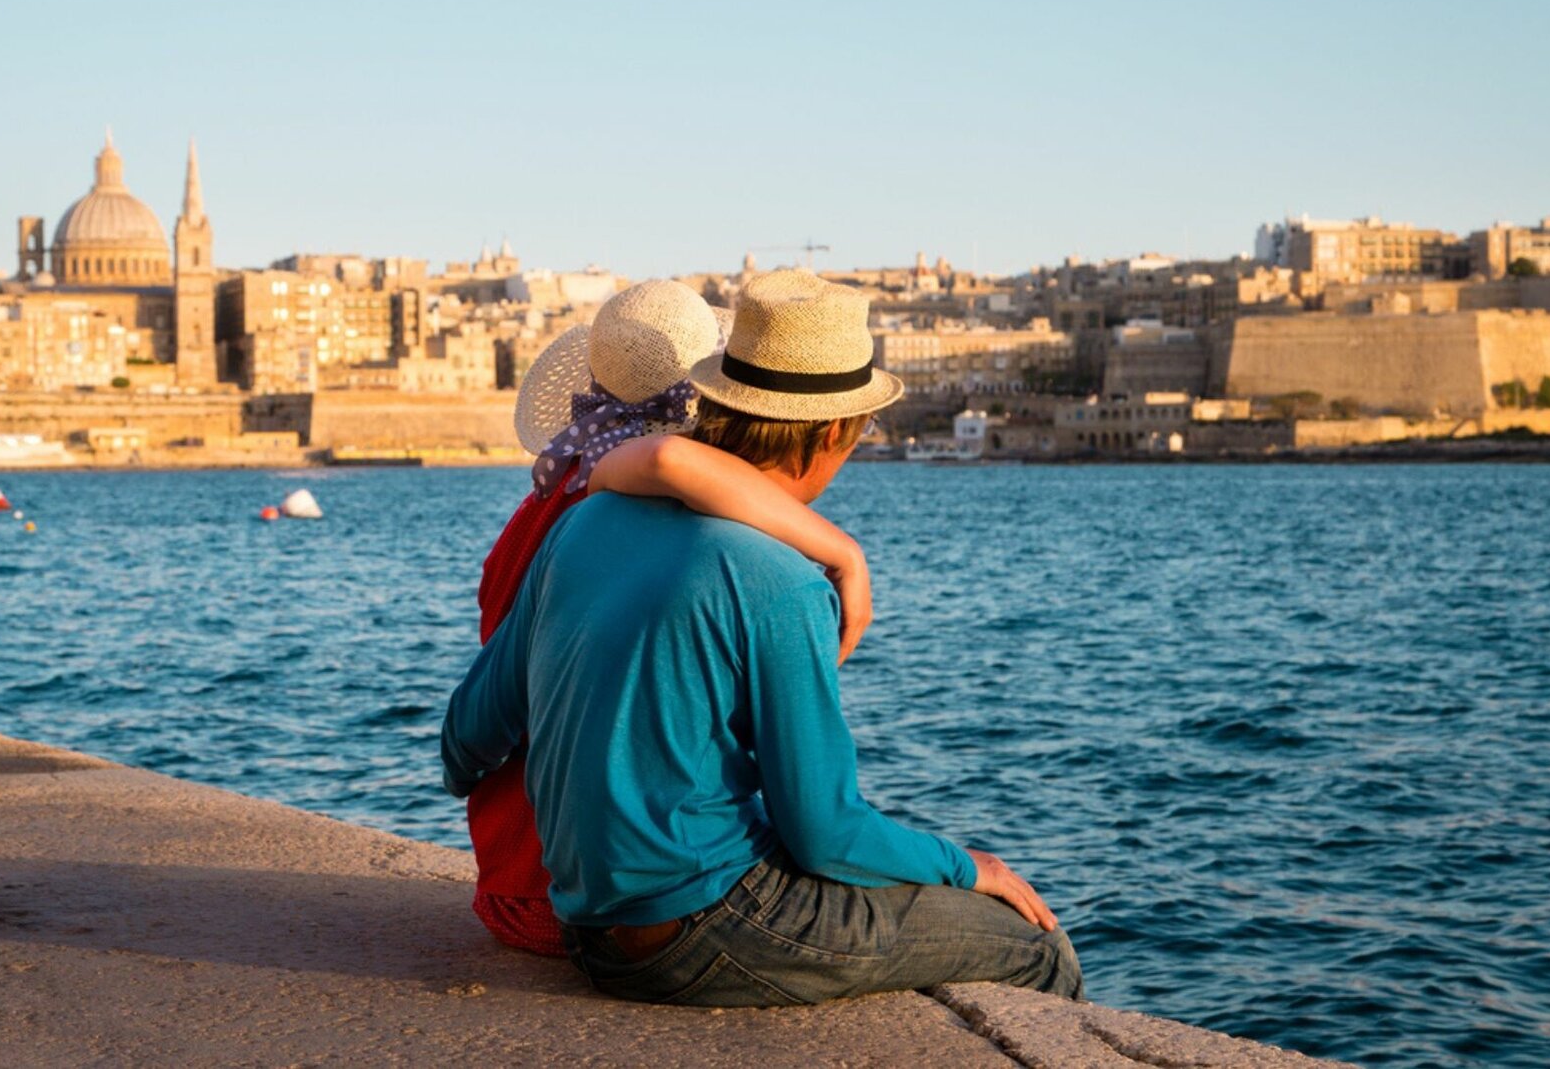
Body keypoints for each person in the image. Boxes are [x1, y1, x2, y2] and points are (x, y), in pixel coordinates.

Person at [444, 269, 1081, 1006]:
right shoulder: (782, 580)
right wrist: (973, 866)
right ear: (838, 431)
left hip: (581, 926)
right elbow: (825, 833)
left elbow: (464, 740)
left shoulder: (580, 522)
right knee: (1037, 947)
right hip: (702, 929)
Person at [469, 279, 877, 957]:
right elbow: (667, 459)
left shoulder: (542, 508)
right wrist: (840, 550)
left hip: (507, 877)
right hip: (577, 898)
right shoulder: (637, 526)